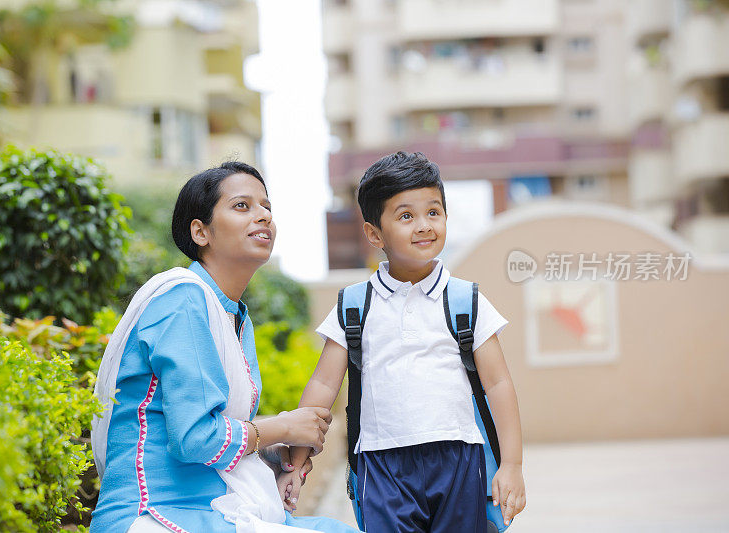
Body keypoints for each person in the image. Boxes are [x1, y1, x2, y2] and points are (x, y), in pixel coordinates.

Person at [90, 162, 360, 533]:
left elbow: (216, 429)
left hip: (211, 507)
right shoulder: (183, 299)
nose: (263, 216)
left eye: (266, 207)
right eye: (242, 206)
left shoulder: (233, 315)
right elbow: (193, 439)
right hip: (154, 512)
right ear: (200, 232)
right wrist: (281, 427)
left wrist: (274, 454)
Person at [279, 152, 526, 532]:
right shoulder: (354, 306)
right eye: (406, 216)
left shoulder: (466, 301)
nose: (424, 225)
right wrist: (297, 462)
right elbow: (323, 385)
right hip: (381, 465)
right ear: (374, 234)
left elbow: (498, 384)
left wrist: (511, 466)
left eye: (433, 211)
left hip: (459, 458)